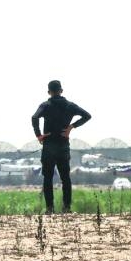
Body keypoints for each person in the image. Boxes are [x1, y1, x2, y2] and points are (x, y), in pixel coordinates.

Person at [31, 80, 91, 215]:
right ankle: (67, 208)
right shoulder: (70, 106)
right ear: (61, 91)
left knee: (48, 178)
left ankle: (50, 208)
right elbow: (87, 116)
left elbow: (34, 118)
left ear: (48, 92)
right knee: (65, 178)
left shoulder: (45, 105)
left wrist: (39, 135)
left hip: (48, 144)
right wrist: (71, 127)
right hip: (63, 145)